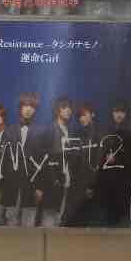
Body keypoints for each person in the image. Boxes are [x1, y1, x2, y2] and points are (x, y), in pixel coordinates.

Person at [0, 93, 43, 227]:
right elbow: (3, 160)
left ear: (35, 110)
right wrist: (4, 184)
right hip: (11, 185)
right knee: (10, 222)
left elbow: (43, 162)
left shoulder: (41, 132)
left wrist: (40, 187)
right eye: (25, 105)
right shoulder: (9, 131)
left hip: (31, 185)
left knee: (28, 224)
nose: (28, 109)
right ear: (20, 108)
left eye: (32, 106)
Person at [39, 97, 74, 227]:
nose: (68, 110)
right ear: (57, 110)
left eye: (69, 108)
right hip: (54, 181)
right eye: (64, 107)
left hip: (65, 179)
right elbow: (47, 158)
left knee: (59, 218)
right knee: (49, 218)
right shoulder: (52, 129)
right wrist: (53, 180)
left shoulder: (68, 130)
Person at [98, 101, 131, 226]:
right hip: (107, 175)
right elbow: (101, 152)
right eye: (116, 111)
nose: (119, 114)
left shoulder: (130, 132)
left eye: (122, 111)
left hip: (122, 176)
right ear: (112, 113)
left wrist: (116, 159)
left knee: (118, 214)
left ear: (126, 114)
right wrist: (106, 157)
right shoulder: (106, 131)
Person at [66, 103, 101, 226]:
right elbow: (73, 159)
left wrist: (92, 185)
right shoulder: (77, 133)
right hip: (77, 181)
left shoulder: (99, 134)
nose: (82, 118)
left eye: (85, 115)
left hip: (91, 182)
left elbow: (98, 162)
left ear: (92, 115)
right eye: (80, 116)